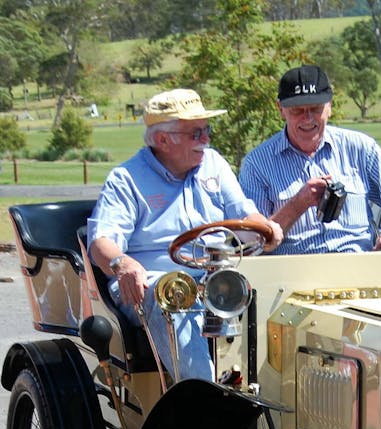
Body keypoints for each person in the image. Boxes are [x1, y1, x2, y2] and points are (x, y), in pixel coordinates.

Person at [87, 89, 283, 381]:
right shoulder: (126, 179)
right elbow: (101, 242)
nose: (205, 139)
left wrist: (266, 229)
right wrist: (122, 264)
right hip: (153, 285)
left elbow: (245, 216)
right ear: (163, 140)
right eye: (195, 133)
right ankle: (202, 400)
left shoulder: (214, 164)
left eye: (206, 130)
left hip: (215, 277)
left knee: (276, 291)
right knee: (176, 292)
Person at [239, 65, 381, 255]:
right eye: (297, 111)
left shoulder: (360, 148)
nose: (308, 118)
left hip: (358, 271)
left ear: (330, 107)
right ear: (281, 109)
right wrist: (298, 204)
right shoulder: (257, 164)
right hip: (293, 276)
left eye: (315, 108)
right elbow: (253, 243)